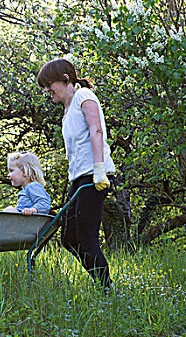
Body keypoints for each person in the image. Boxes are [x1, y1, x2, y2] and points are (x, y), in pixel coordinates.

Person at [37, 58, 116, 290]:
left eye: (48, 84)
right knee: (69, 238)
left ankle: (107, 289)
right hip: (79, 177)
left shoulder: (84, 96)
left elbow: (96, 130)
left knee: (85, 236)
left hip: (95, 176)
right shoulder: (67, 110)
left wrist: (100, 169)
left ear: (65, 79)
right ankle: (103, 284)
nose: (46, 90)